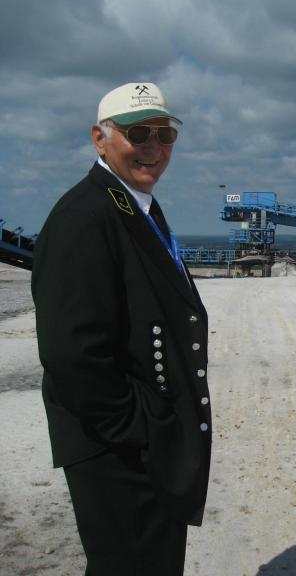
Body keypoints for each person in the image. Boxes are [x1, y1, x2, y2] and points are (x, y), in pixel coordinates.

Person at [31, 82, 211, 576]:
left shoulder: (131, 205)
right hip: (118, 452)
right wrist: (141, 429)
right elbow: (71, 353)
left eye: (164, 134)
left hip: (141, 444)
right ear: (100, 138)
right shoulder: (83, 217)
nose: (153, 147)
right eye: (137, 133)